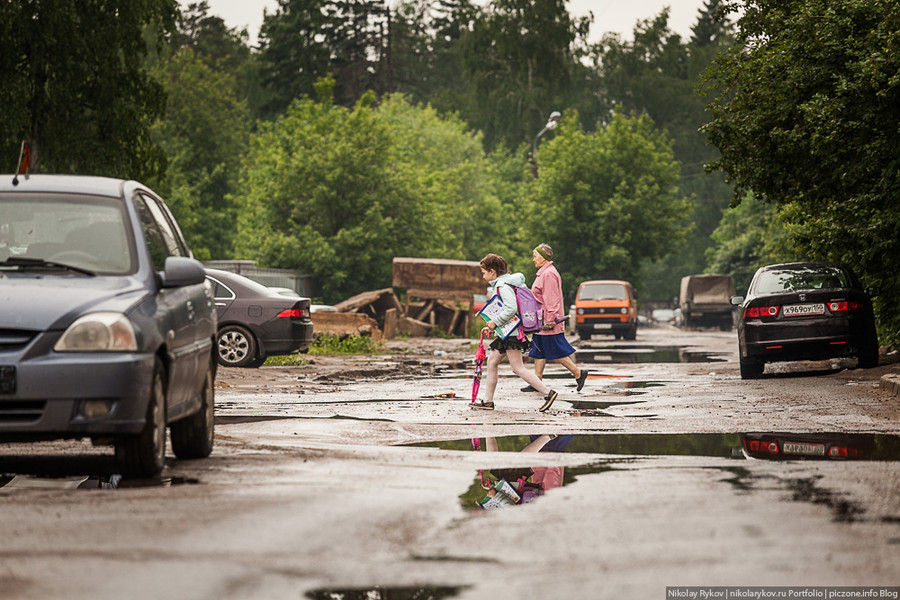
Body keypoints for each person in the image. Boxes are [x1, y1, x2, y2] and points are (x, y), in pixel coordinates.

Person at [473, 253, 559, 412]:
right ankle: (488, 401)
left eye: (484, 272)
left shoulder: (502, 285)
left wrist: (495, 322)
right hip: (507, 332)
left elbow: (511, 309)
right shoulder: (506, 283)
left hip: (511, 333)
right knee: (492, 363)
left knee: (517, 368)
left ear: (492, 272)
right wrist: (492, 326)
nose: (483, 276)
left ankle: (548, 393)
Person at [521, 243, 589, 393]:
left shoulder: (548, 274)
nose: (533, 260)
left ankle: (578, 373)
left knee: (555, 351)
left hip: (548, 320)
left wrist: (551, 320)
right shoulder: (544, 273)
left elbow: (552, 299)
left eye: (535, 256)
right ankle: (537, 381)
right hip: (542, 319)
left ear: (544, 257)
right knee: (539, 349)